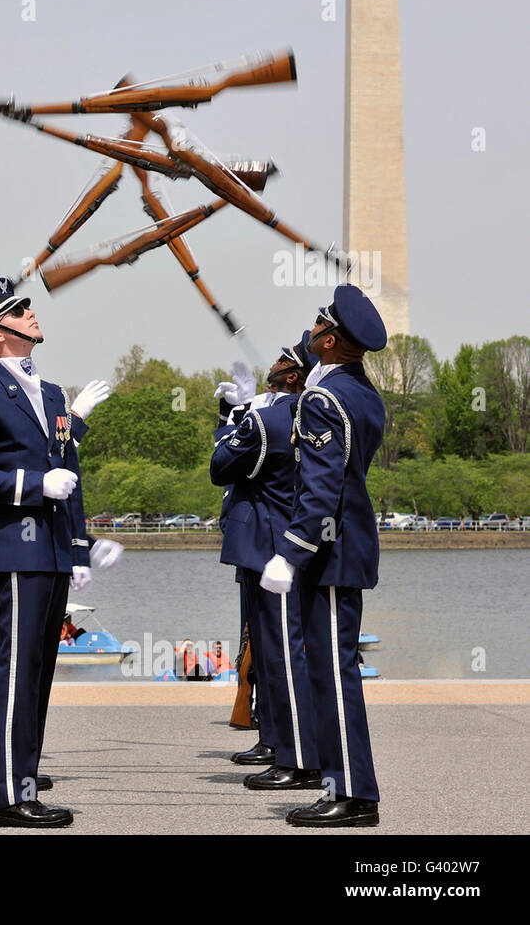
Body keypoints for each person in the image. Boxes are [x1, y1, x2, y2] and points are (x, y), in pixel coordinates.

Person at [0, 278, 91, 828]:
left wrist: (79, 548)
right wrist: (34, 486)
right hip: (7, 551)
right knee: (11, 673)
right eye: (19, 311)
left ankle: (23, 784)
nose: (32, 315)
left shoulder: (51, 394)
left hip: (49, 552)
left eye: (28, 308)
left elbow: (69, 474)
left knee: (36, 673)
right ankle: (6, 796)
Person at [262, 283, 388, 828]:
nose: (309, 331)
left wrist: (291, 552)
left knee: (333, 674)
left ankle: (352, 794)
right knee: (336, 669)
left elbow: (321, 486)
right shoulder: (362, 394)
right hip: (347, 545)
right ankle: (347, 786)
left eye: (317, 325)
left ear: (330, 340)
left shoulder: (322, 399)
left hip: (329, 552)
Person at [210, 334, 320, 792]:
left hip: (266, 547)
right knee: (276, 654)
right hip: (291, 545)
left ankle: (297, 757)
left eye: (281, 359)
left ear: (292, 375)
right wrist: (239, 418)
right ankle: (278, 743)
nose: (272, 363)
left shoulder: (270, 418)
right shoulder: (311, 414)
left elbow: (221, 465)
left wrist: (234, 420)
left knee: (279, 656)